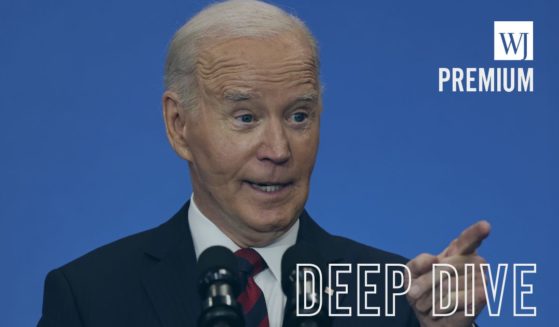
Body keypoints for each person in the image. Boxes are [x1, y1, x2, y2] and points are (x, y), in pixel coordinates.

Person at [38, 1, 490, 326]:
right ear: (179, 126)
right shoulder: (91, 298)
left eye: (299, 116)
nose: (278, 148)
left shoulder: (397, 298)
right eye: (245, 117)